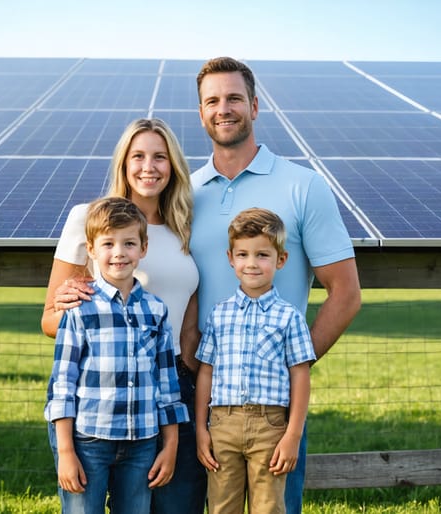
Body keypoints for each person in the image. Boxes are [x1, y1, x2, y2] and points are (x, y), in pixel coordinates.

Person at [190, 56, 362, 514]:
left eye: (233, 98)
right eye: (212, 101)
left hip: (272, 405)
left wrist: (293, 366)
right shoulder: (184, 192)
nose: (223, 109)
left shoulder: (303, 186)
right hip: (196, 396)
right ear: (201, 111)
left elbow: (345, 293)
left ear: (255, 106)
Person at [41, 118, 206, 513]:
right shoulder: (89, 218)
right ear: (123, 163)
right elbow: (50, 318)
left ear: (174, 166)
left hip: (173, 390)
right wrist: (74, 309)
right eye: (138, 156)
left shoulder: (186, 225)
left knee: (177, 506)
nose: (148, 167)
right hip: (103, 394)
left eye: (160, 157)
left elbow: (187, 321)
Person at [195, 208, 315, 514]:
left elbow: (300, 376)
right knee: (221, 506)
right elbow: (206, 372)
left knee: (269, 507)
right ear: (230, 258)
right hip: (222, 423)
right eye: (243, 254)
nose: (252, 263)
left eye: (262, 255)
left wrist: (293, 435)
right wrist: (201, 428)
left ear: (280, 259)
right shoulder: (219, 314)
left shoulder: (289, 317)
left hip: (270, 425)